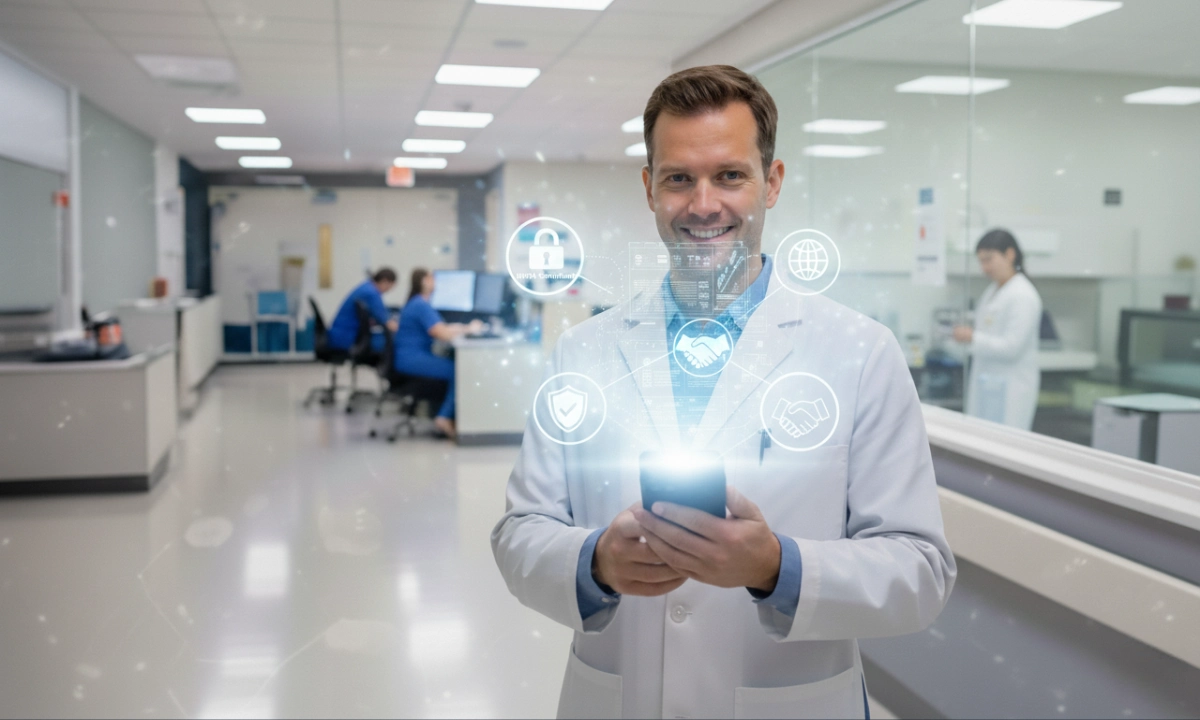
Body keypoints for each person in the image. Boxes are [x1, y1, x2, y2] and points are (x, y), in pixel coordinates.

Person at [492, 65, 955, 719]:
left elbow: (920, 572)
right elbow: (520, 532)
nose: (703, 204)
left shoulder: (860, 353)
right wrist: (594, 562)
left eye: (730, 176)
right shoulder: (585, 352)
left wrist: (776, 567)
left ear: (772, 182)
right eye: (679, 178)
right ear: (651, 188)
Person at [953, 229, 1044, 430]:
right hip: (989, 385)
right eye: (981, 261)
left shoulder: (1023, 295)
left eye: (989, 259)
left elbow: (1012, 347)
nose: (984, 268)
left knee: (1006, 446)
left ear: (1009, 254)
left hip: (1011, 391)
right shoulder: (993, 291)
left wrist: (972, 337)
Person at [394, 268, 484, 439]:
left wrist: (465, 328)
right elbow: (442, 333)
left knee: (453, 364)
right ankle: (444, 417)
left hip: (408, 356)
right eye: (432, 278)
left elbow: (442, 328)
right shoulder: (420, 305)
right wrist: (469, 329)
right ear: (425, 282)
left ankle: (447, 414)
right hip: (412, 359)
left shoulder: (417, 302)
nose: (435, 282)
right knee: (457, 370)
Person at [326, 267, 399, 352]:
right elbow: (386, 322)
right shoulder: (372, 293)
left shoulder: (366, 287)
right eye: (390, 287)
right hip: (346, 337)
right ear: (385, 281)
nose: (388, 291)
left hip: (339, 335)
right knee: (392, 342)